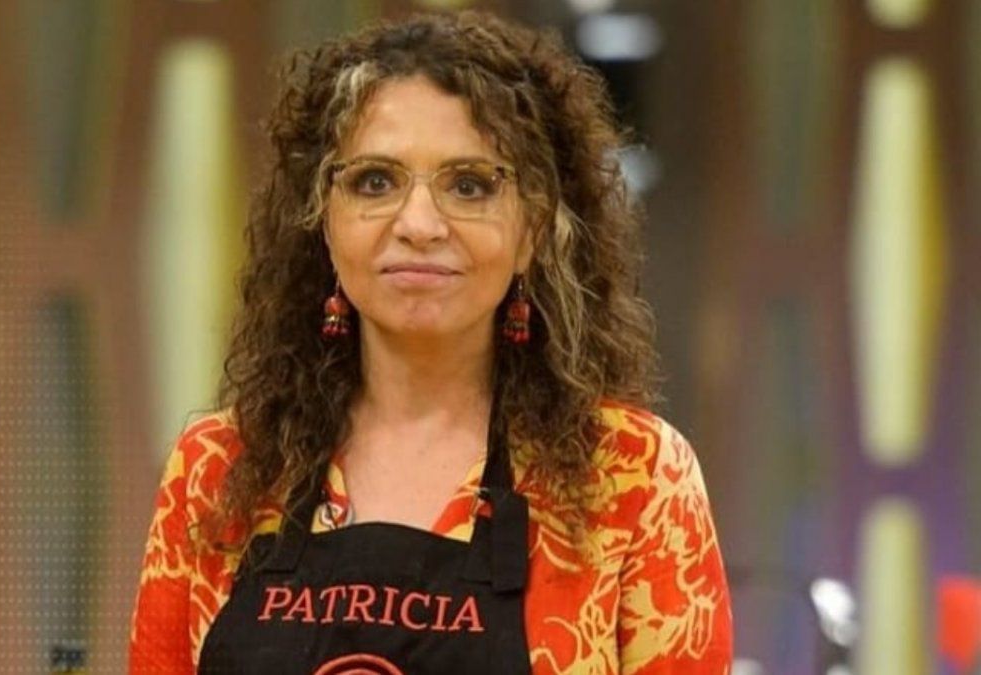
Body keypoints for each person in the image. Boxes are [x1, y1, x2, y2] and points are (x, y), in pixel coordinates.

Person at [129, 10, 732, 674]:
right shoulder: (217, 469)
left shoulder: (635, 476)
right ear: (322, 221)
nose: (419, 223)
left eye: (469, 185)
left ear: (533, 230)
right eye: (375, 181)